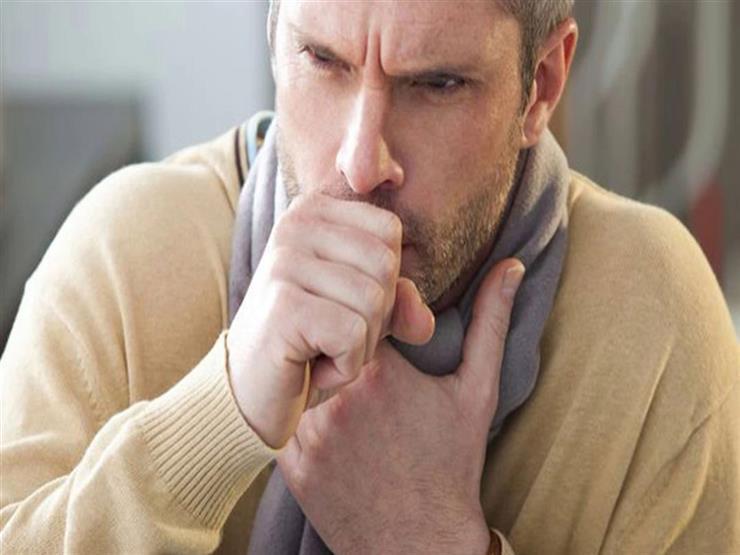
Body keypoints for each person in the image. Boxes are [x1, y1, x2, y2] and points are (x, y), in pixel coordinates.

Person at [1, 1, 738, 554]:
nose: (360, 163)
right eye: (322, 60)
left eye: (436, 84)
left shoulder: (652, 316)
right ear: (274, 36)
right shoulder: (124, 253)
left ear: (541, 86)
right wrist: (223, 415)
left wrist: (425, 536)